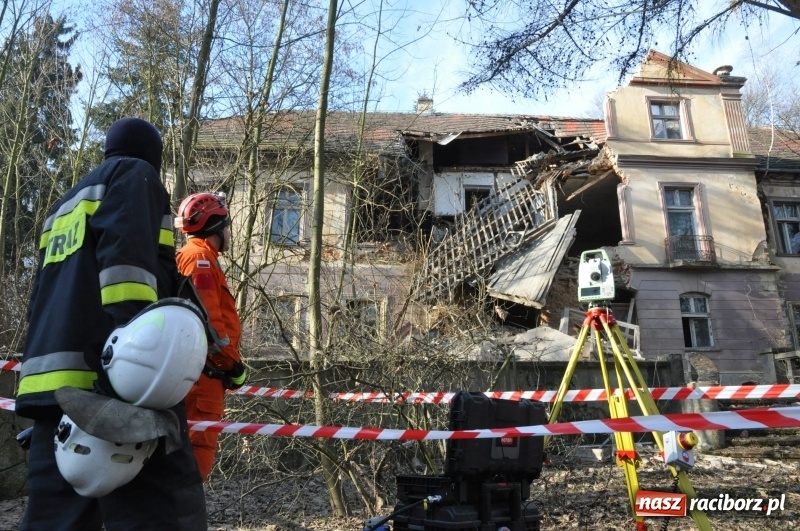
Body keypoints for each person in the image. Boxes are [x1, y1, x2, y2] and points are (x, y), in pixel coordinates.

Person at [15, 117, 207, 530]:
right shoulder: (135, 175)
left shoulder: (63, 207)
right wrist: (135, 358)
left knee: (56, 518)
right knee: (165, 511)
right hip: (113, 389)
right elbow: (127, 270)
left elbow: (41, 300)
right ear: (153, 158)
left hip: (52, 391)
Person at [175, 192, 246, 481]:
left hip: (198, 375)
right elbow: (211, 326)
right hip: (204, 378)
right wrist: (233, 366)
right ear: (216, 227)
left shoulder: (197, 257)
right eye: (226, 225)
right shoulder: (200, 259)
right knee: (196, 455)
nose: (229, 232)